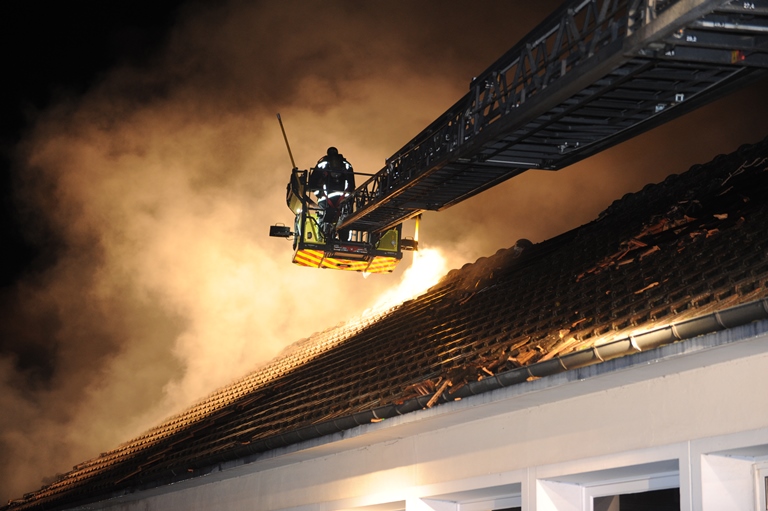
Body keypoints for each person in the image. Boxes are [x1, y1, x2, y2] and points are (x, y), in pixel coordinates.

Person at [309, 147, 356, 235]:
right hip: (344, 200)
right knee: (346, 221)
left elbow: (312, 184)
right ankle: (345, 240)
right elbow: (352, 184)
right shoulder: (347, 165)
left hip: (325, 200)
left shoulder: (322, 164)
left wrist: (319, 194)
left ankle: (322, 236)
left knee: (323, 221)